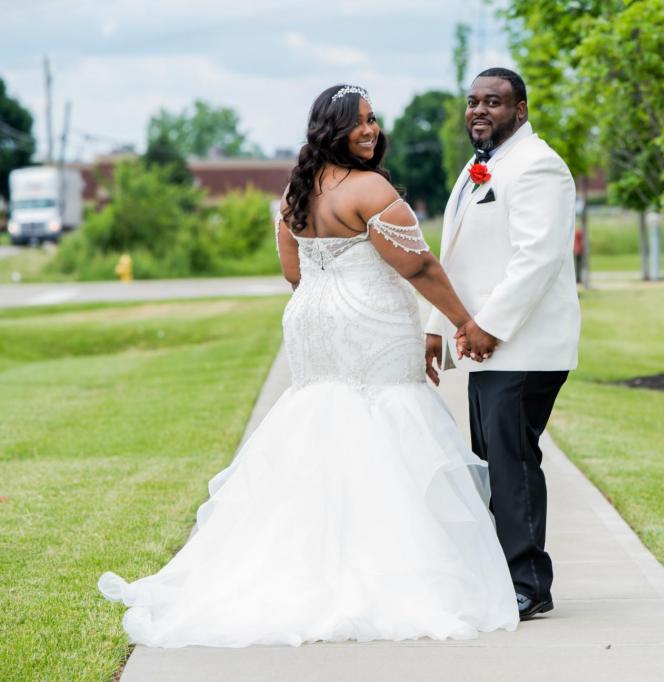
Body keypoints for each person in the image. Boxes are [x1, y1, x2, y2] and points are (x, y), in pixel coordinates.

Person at [97, 84, 519, 647]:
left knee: (322, 419)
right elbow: (418, 267)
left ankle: (307, 566)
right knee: (386, 422)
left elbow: (293, 274)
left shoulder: (296, 191)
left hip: (311, 320)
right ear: (332, 130)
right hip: (369, 318)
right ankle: (386, 571)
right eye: (358, 122)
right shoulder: (371, 189)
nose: (370, 130)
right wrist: (465, 323)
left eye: (372, 119)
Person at [425, 68, 581, 620]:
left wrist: (488, 326)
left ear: (520, 109)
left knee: (512, 463)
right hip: (489, 347)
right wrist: (438, 327)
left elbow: (537, 258)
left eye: (493, 102)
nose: (479, 110)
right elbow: (457, 258)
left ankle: (529, 584)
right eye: (473, 101)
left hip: (525, 345)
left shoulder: (538, 165)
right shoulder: (478, 167)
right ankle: (506, 575)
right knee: (496, 459)